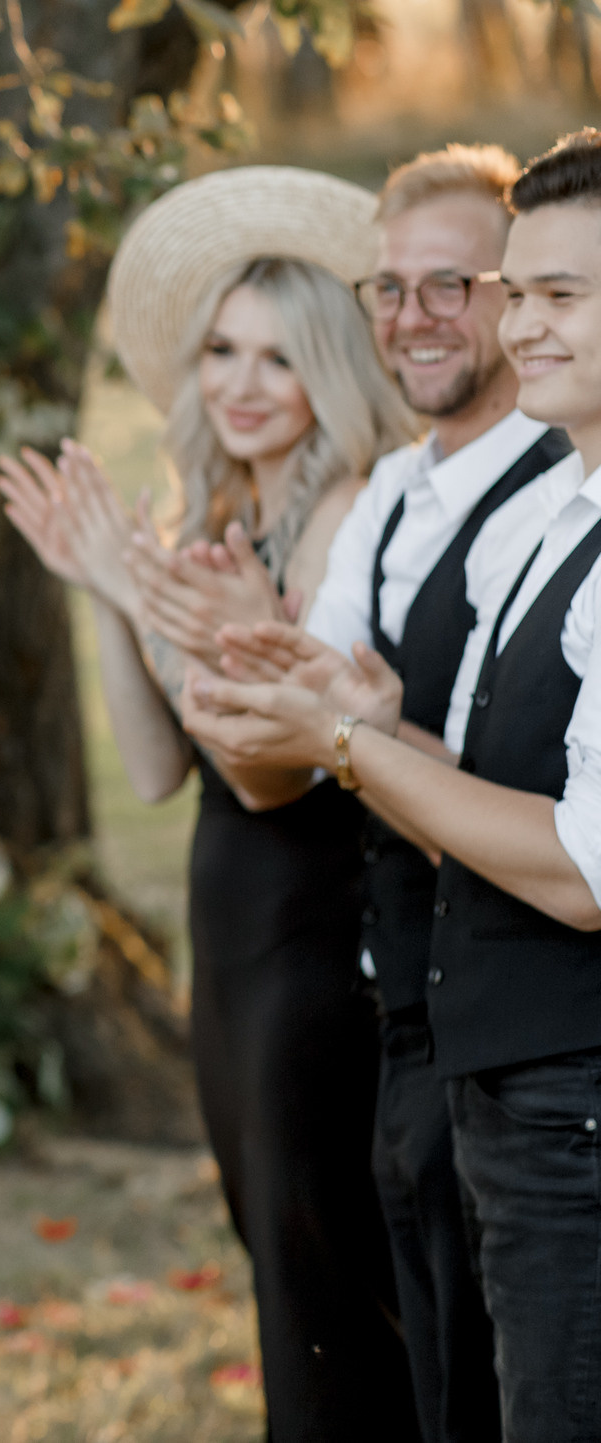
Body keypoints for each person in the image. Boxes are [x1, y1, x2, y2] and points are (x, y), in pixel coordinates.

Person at [0, 165, 419, 1441]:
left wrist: (142, 591)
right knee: (275, 1254)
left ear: (330, 374)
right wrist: (105, 587)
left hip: (315, 941)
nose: (239, 383)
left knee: (322, 1278)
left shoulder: (349, 510)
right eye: (222, 350)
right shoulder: (228, 509)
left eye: (277, 360)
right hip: (229, 934)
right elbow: (154, 771)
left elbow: (264, 767)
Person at [188, 130, 601, 1443]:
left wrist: (354, 744)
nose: (517, 326)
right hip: (471, 1044)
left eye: (552, 296)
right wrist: (365, 716)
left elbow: (589, 867)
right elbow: (481, 771)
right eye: (518, 291)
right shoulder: (552, 515)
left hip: (566, 1084)